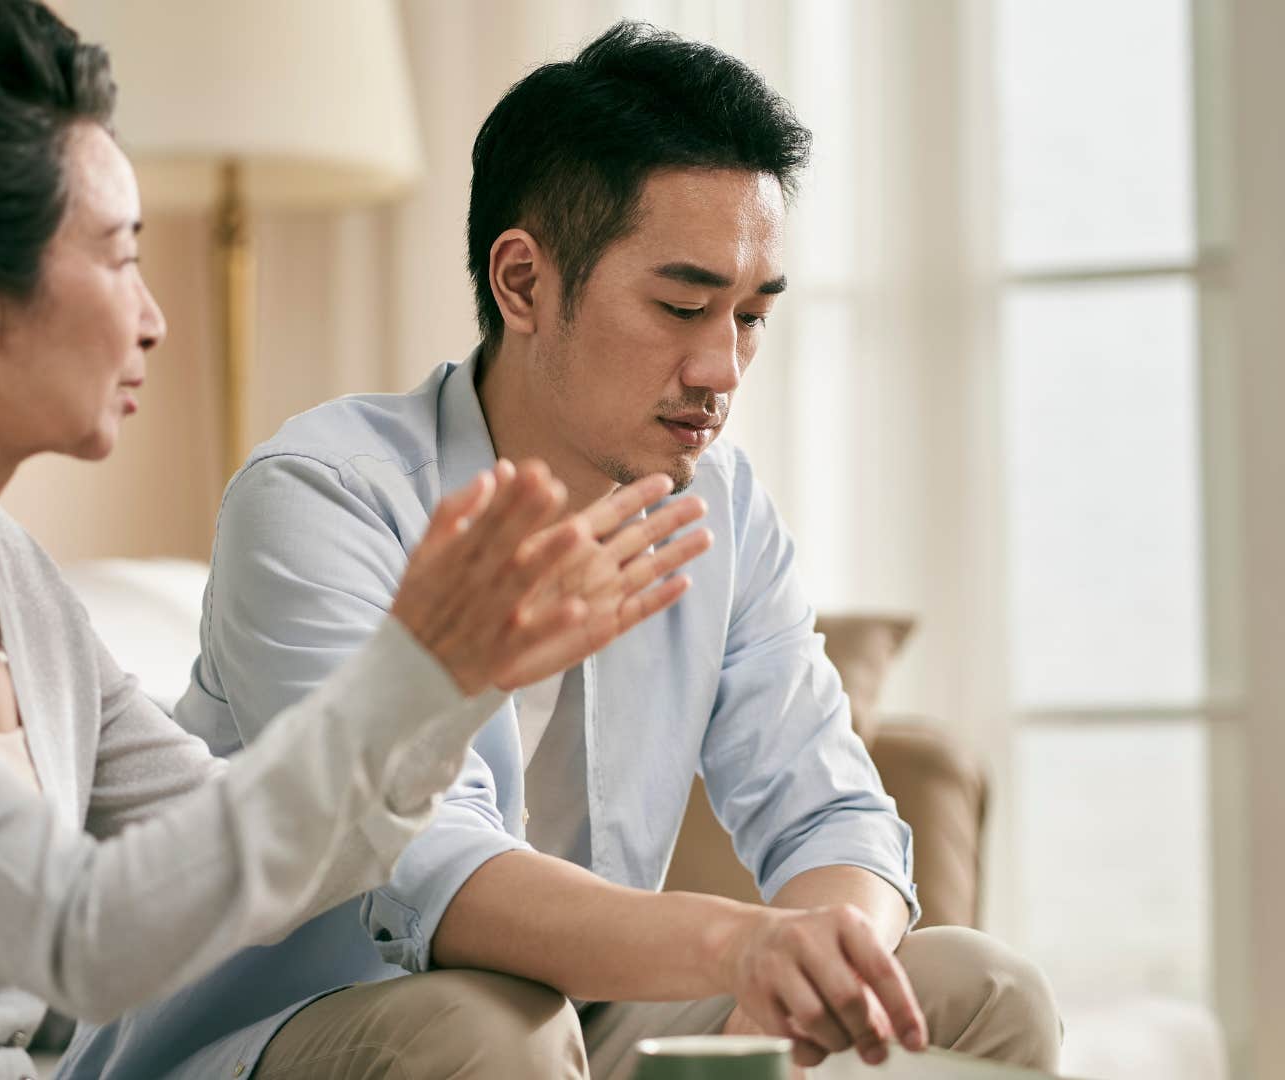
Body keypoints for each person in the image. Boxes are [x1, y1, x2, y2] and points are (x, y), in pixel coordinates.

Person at [0, 3, 710, 1075]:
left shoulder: (5, 575)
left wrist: (464, 683)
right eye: (116, 255)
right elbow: (86, 936)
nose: (152, 316)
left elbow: (248, 846)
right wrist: (422, 664)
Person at [60, 21, 1061, 1080]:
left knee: (981, 993)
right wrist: (742, 944)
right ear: (524, 283)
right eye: (683, 306)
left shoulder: (717, 507)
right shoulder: (323, 499)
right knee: (495, 1027)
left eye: (753, 316)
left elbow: (832, 812)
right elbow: (428, 874)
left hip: (577, 1024)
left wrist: (813, 971)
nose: (723, 368)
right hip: (285, 1036)